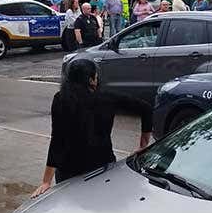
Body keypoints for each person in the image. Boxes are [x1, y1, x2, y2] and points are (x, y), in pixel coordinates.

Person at [33, 58, 152, 197]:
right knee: (101, 201)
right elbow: (146, 109)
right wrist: (143, 145)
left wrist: (46, 181)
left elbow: (58, 140)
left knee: (73, 206)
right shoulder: (108, 98)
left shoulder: (61, 99)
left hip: (69, 171)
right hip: (103, 166)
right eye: (96, 76)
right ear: (91, 80)